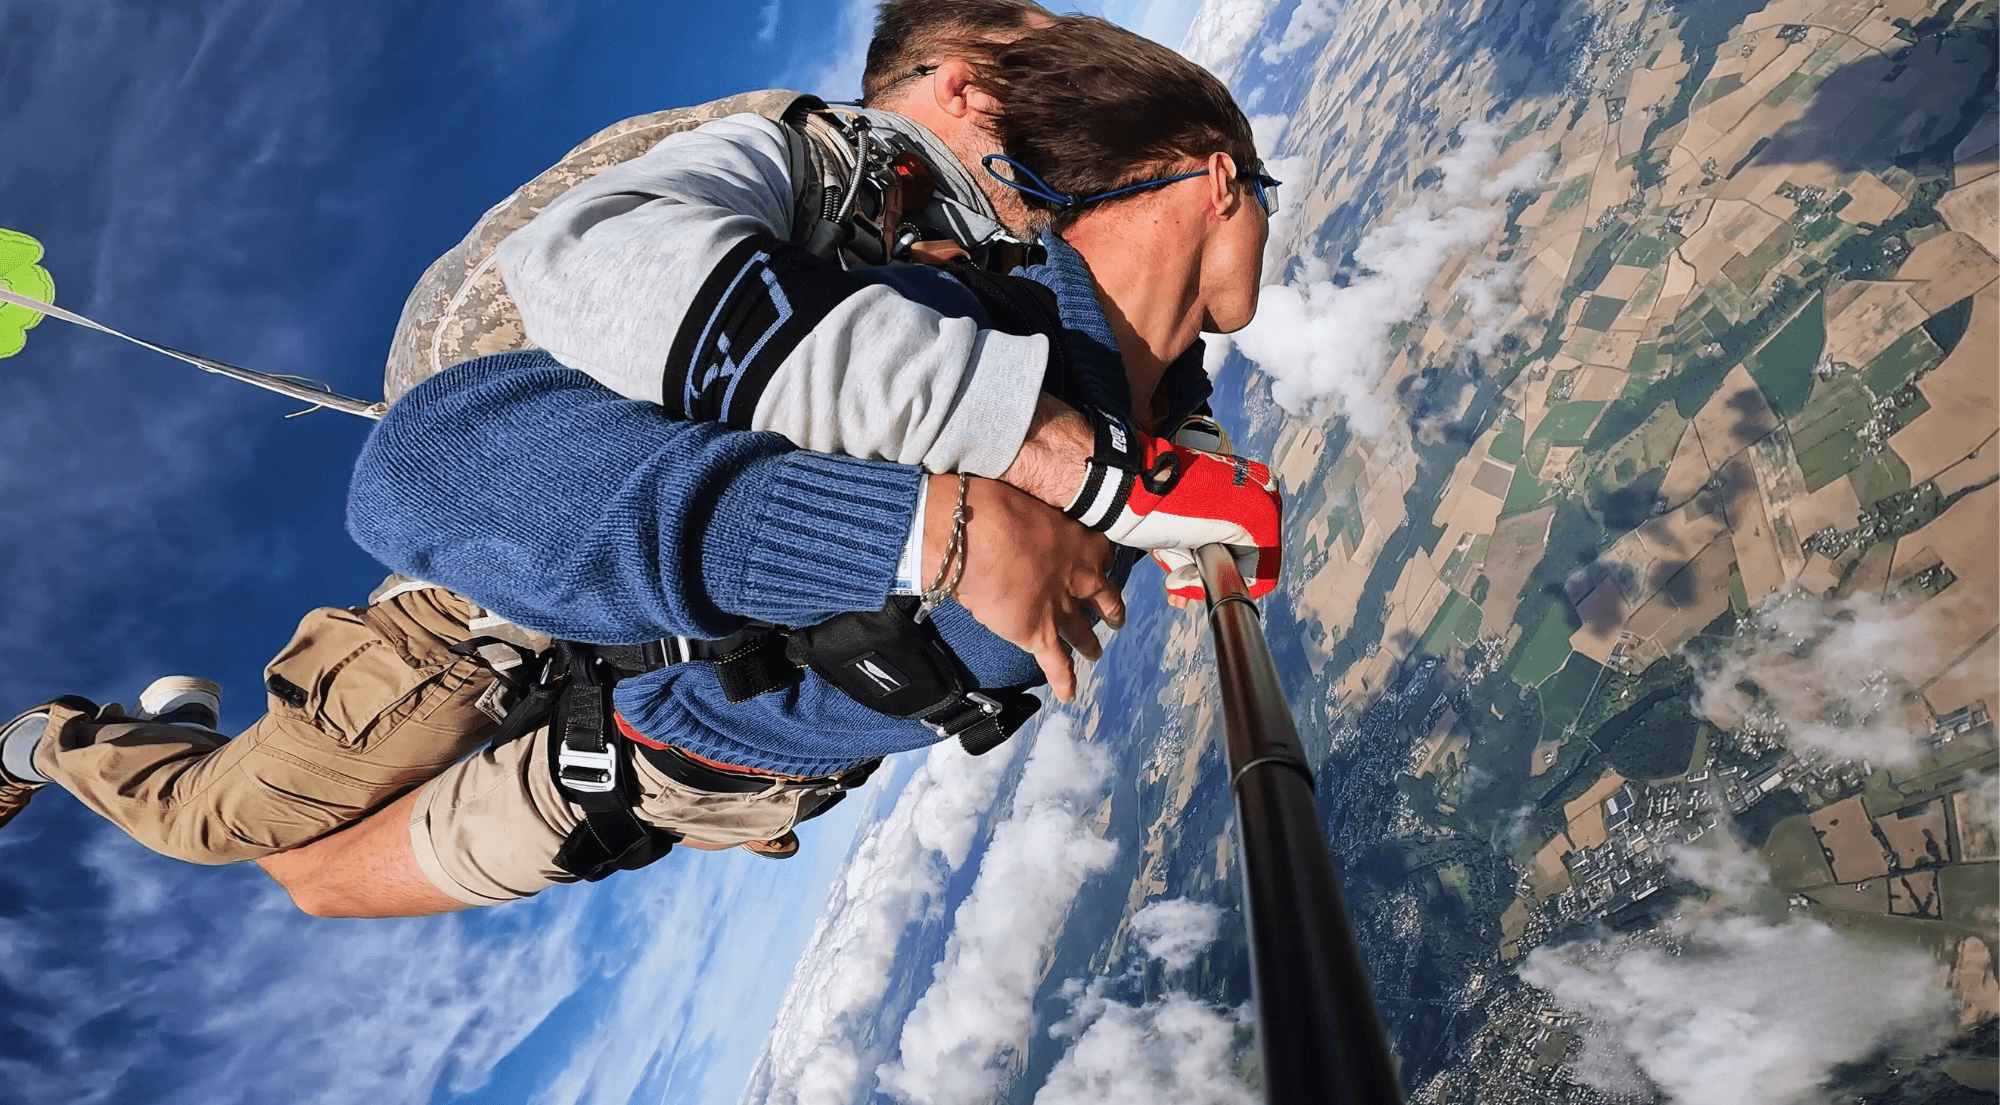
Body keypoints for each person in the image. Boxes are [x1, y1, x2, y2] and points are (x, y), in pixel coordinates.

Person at [0, 14, 1280, 916]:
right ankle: (48, 741)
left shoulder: (988, 253)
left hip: (644, 618)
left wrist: (1169, 471)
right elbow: (487, 405)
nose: (1051, 119)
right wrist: (1047, 483)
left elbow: (1107, 365)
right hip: (478, 611)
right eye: (1025, 55)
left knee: (325, 879)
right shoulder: (821, 156)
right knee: (238, 829)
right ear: (957, 79)